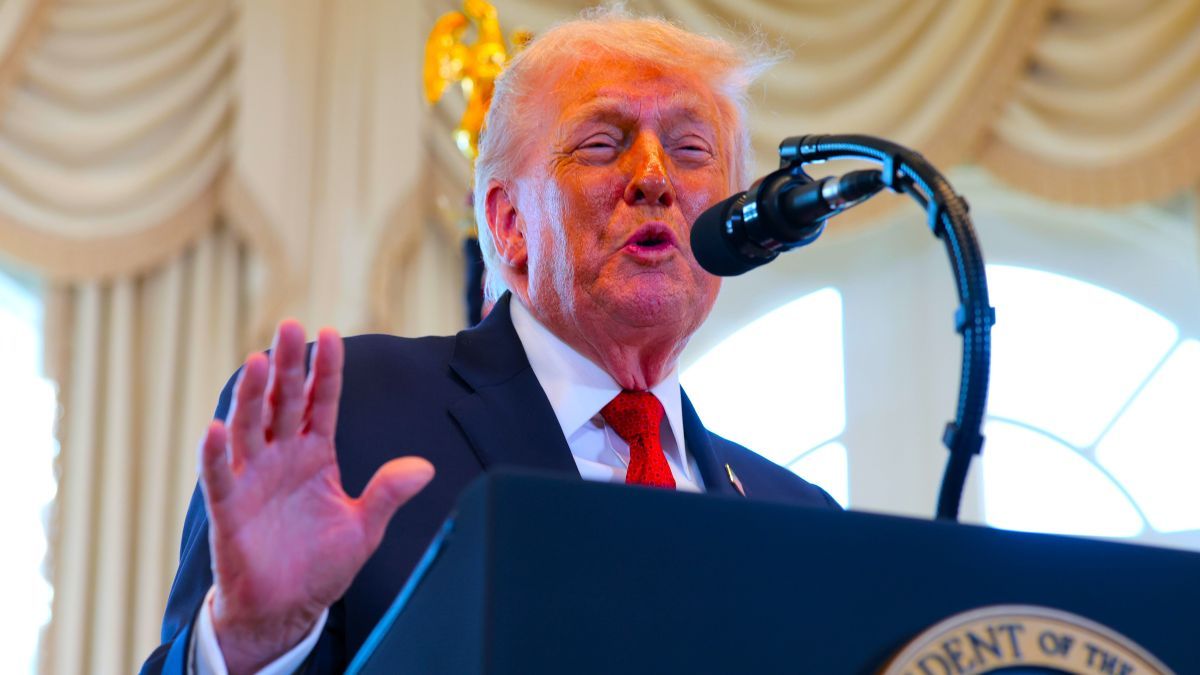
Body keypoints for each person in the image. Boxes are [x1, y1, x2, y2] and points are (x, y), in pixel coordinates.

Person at [142, 9, 839, 675]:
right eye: (603, 143)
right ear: (507, 223)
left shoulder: (802, 521)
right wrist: (254, 642)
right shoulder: (342, 420)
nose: (654, 178)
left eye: (692, 150)